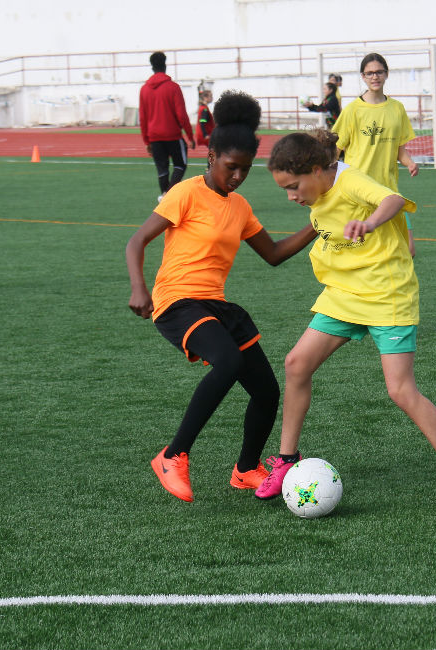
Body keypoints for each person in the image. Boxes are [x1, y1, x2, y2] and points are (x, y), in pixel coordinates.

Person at [256, 129, 436, 518]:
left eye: (294, 186)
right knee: (296, 364)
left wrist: (374, 222)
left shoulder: (349, 180)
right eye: (285, 190)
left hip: (386, 296)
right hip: (344, 295)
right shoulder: (318, 190)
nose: (292, 196)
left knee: (400, 390)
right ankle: (286, 460)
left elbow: (392, 198)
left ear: (315, 170)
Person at [125, 90, 318, 503]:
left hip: (216, 304)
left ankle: (246, 468)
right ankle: (172, 455)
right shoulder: (186, 193)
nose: (237, 177)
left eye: (246, 170)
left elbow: (274, 254)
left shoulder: (240, 206)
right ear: (210, 155)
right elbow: (137, 241)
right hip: (177, 302)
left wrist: (317, 224)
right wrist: (139, 287)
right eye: (232, 167)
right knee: (228, 362)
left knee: (267, 391)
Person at [331, 53, 419, 256]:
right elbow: (335, 150)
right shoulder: (353, 110)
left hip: (388, 190)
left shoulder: (397, 108)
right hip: (359, 190)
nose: (374, 77)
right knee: (363, 251)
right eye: (369, 73)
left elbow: (400, 151)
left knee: (409, 250)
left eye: (379, 72)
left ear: (386, 74)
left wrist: (410, 163)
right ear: (363, 76)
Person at [139, 51, 195, 201]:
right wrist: (190, 136)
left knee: (162, 169)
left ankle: (165, 198)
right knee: (180, 165)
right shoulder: (173, 87)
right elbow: (181, 115)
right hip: (172, 135)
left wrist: (147, 141)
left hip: (154, 137)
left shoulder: (144, 90)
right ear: (165, 65)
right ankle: (168, 196)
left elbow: (142, 118)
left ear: (152, 66)